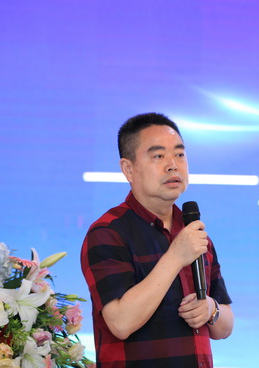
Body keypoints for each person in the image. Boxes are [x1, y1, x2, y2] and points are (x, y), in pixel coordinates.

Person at [81, 112, 234, 368]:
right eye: (159, 156)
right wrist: (175, 257)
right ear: (128, 169)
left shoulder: (194, 233)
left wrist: (211, 309)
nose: (173, 165)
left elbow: (225, 327)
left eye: (179, 154)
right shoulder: (108, 232)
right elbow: (121, 323)